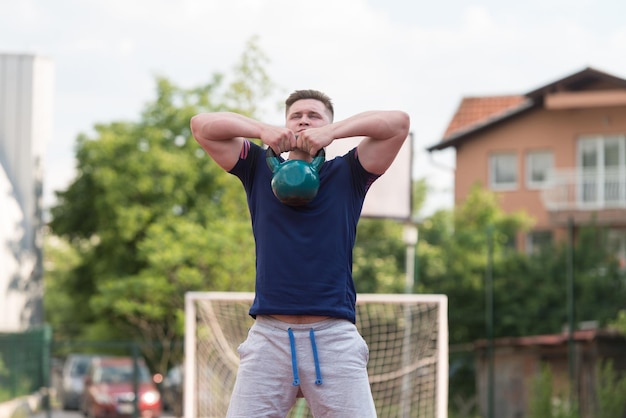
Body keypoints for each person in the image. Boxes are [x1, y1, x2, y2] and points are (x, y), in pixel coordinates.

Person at [190, 89, 410, 417]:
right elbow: (201, 125)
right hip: (270, 336)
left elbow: (398, 124)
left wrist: (332, 133)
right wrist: (261, 131)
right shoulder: (258, 168)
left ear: (328, 127)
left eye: (315, 116)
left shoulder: (349, 172)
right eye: (296, 115)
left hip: (334, 337)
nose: (304, 119)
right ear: (285, 124)